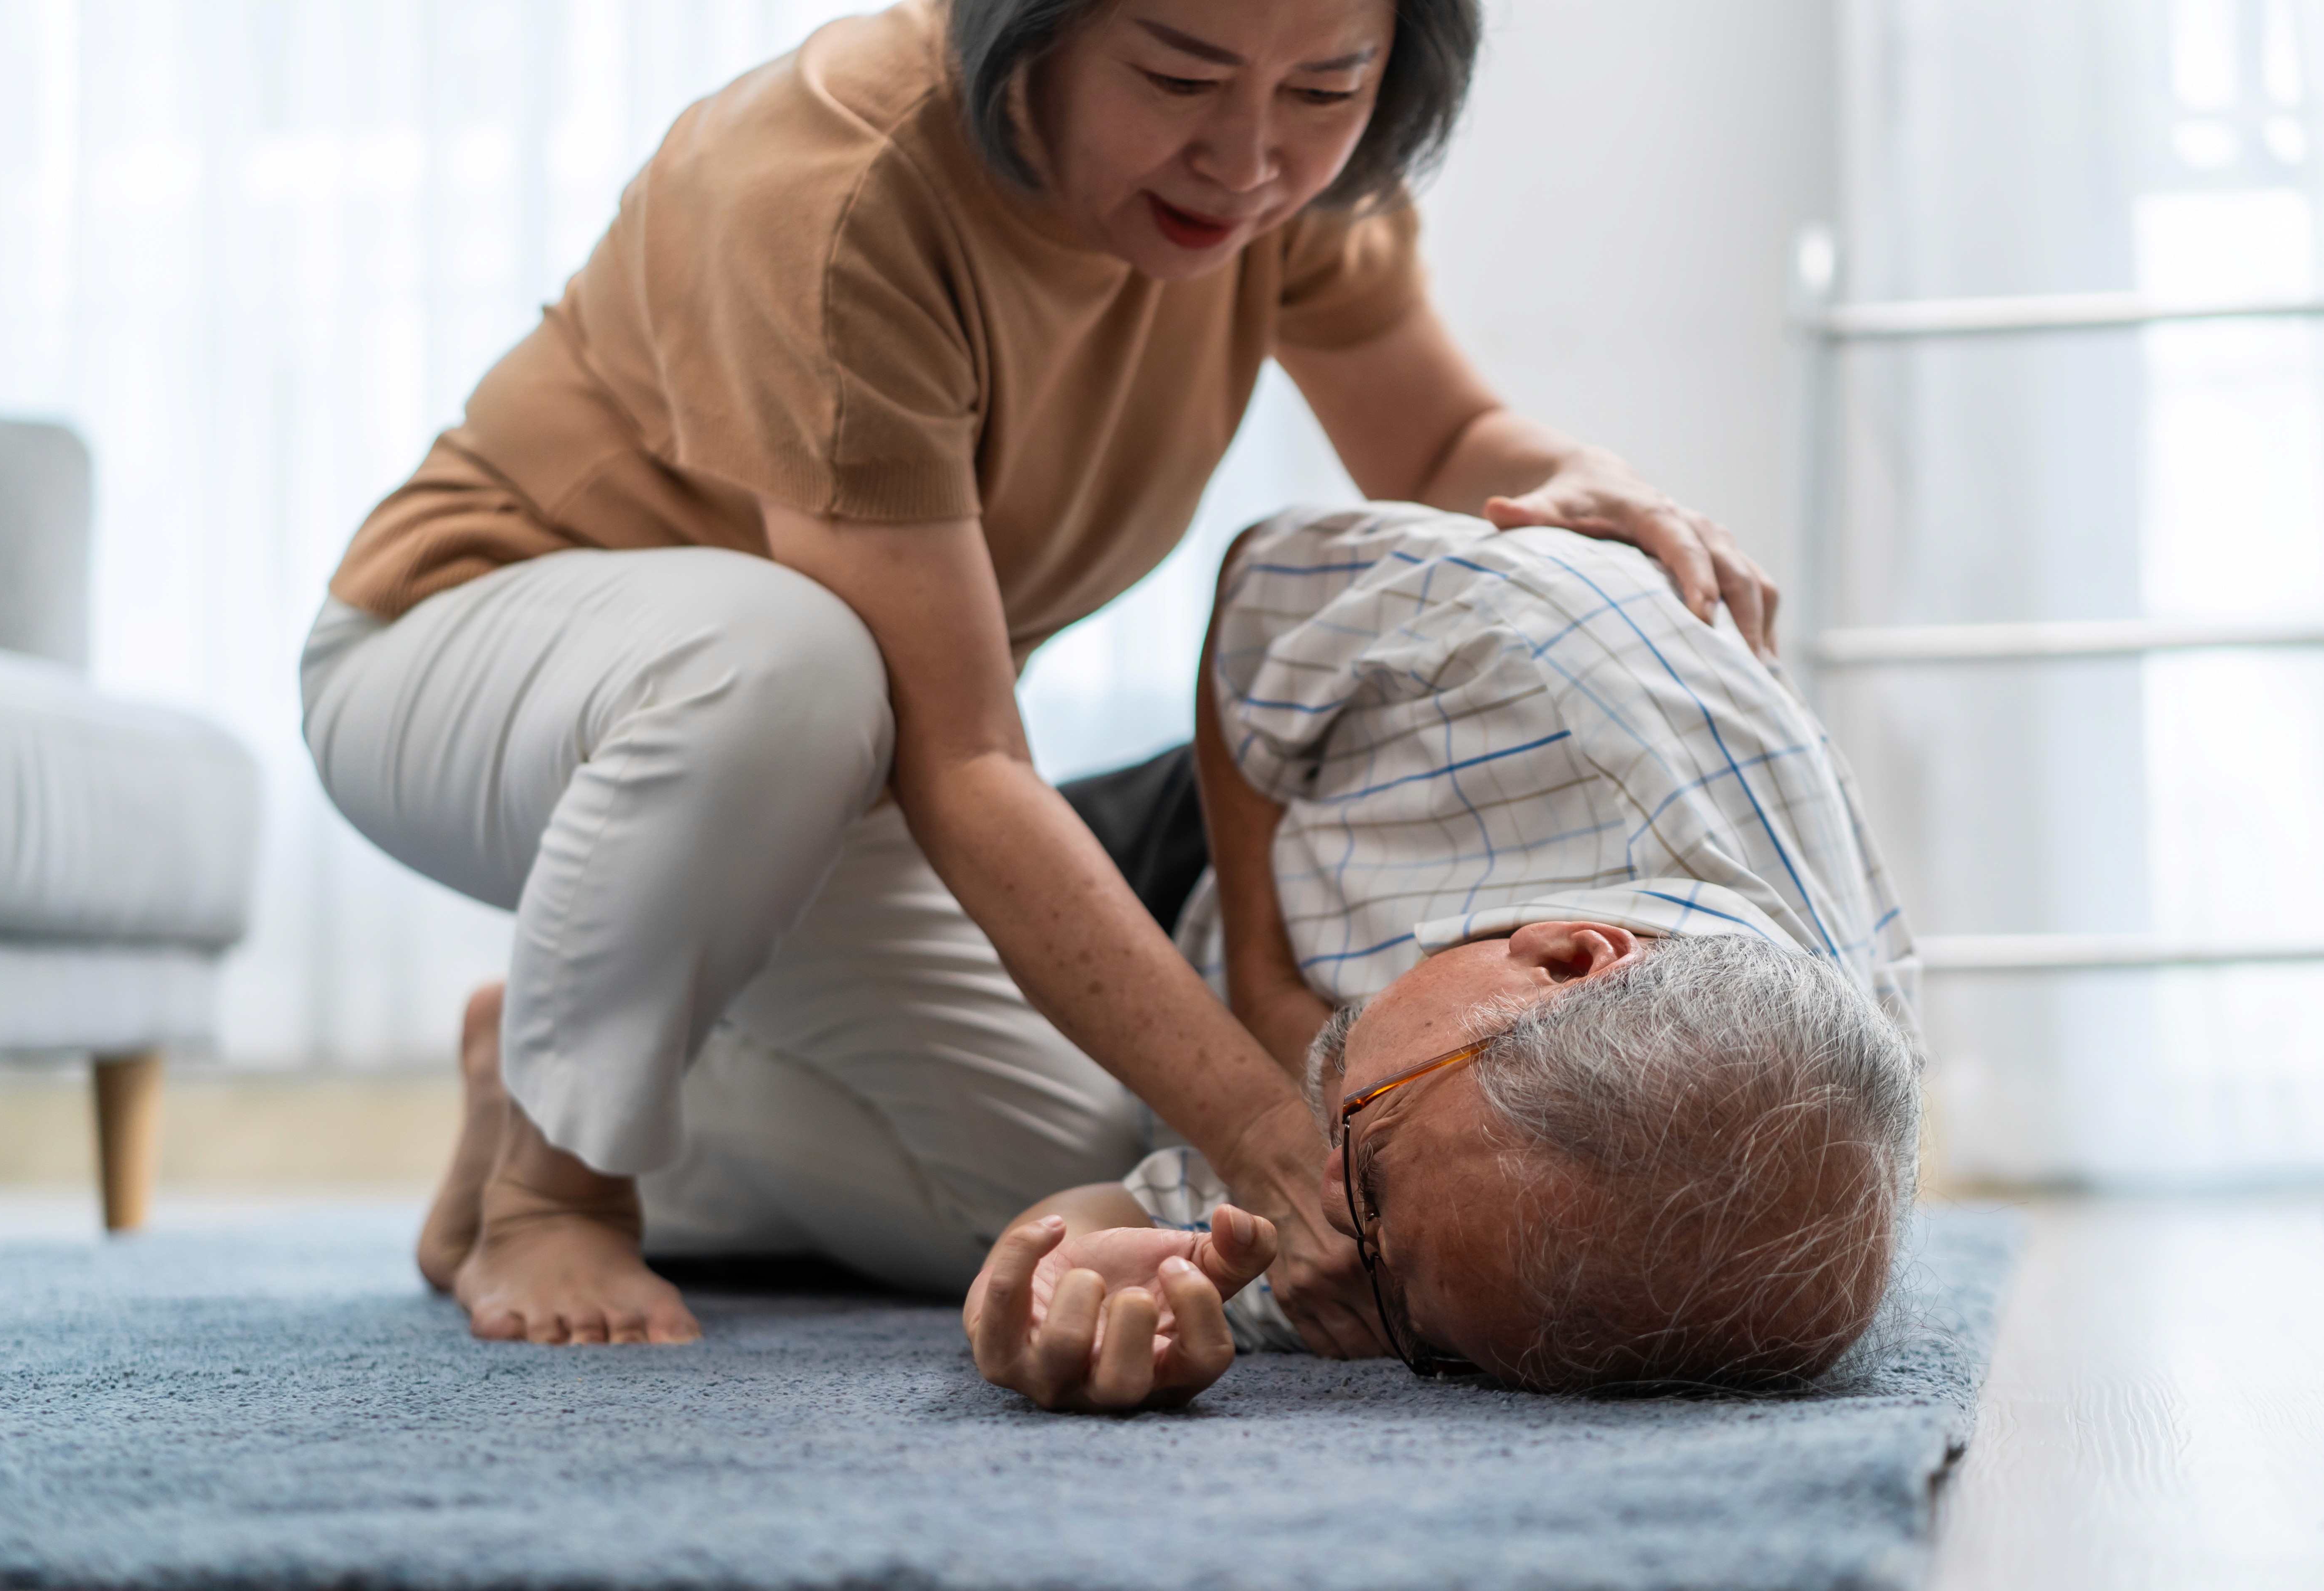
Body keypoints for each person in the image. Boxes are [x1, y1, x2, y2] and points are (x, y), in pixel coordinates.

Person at [302, 0, 1781, 1349]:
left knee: (1061, 1166)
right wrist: (1272, 1133)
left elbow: (1439, 442)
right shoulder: (833, 183)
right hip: (468, 663)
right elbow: (970, 760)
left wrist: (1576, 477)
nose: (1247, 158)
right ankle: (554, 1188)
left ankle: (544, 1063)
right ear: (1027, 30)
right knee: (787, 661)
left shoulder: (1282, 189)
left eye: (1328, 89)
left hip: (840, 766)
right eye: (1178, 78)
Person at [961, 505, 1923, 1408]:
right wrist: (1262, 975)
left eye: (1402, 1293)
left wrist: (1060, 1287)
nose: (1329, 1201)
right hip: (1170, 847)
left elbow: (1128, 1220)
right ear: (1567, 957)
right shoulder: (1537, 656)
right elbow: (1261, 580)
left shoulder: (1489, 1270)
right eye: (1373, 1157)